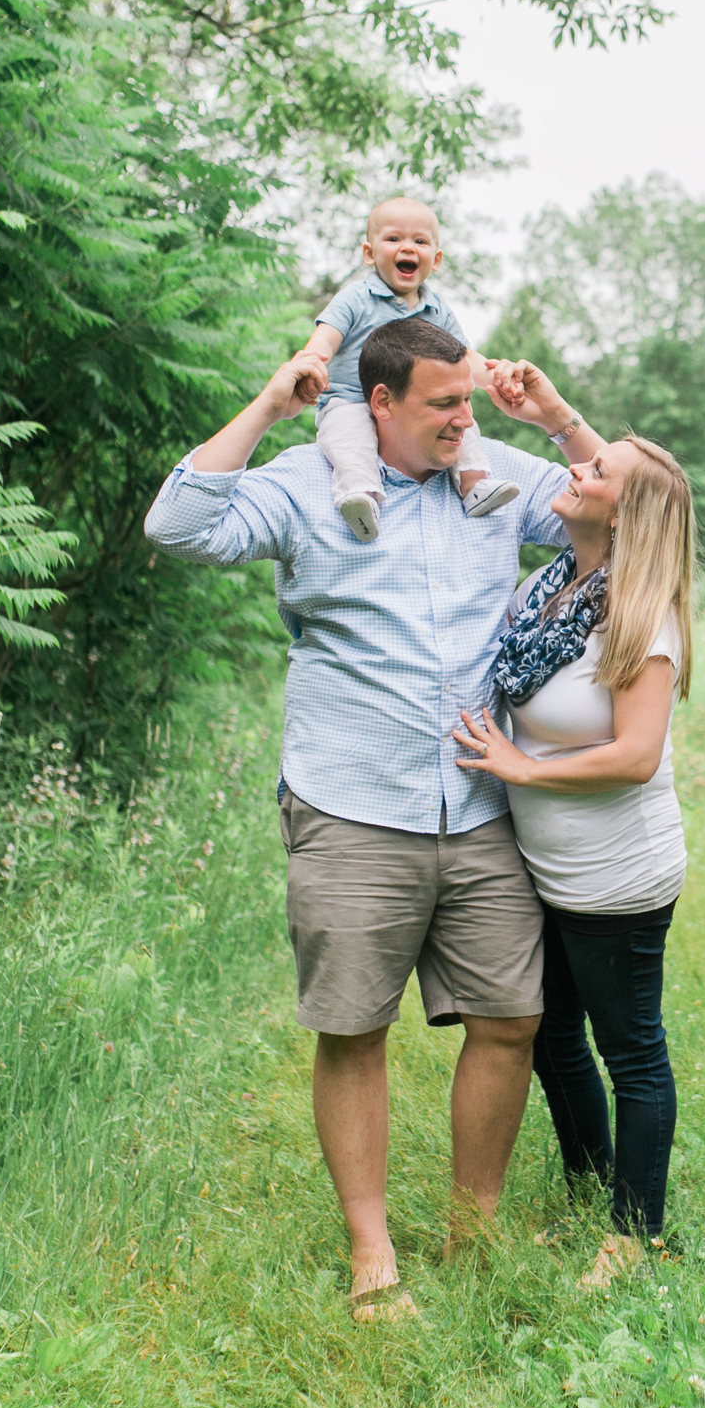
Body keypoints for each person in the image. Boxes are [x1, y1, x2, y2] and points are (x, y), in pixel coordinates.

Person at [144, 316, 606, 1319]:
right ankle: (372, 1254)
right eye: (443, 403)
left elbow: (631, 495)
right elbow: (176, 523)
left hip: (481, 804)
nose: (462, 419)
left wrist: (556, 415)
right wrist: (272, 401)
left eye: (468, 400)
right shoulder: (309, 484)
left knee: (510, 1018)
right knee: (353, 1026)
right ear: (379, 403)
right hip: (350, 800)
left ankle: (471, 1229)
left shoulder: (491, 480)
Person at [449, 436, 696, 1288]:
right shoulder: (554, 584)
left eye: (595, 473)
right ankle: (591, 1186)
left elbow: (635, 752)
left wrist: (523, 767)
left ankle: (633, 1236)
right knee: (551, 1034)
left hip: (617, 876)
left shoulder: (641, 616)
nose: (575, 472)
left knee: (630, 1049)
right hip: (545, 867)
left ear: (622, 513)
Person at [299, 197, 520, 538]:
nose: (408, 247)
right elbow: (326, 337)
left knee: (464, 422)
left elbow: (465, 358)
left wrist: (498, 376)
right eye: (394, 239)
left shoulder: (436, 309)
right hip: (351, 399)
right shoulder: (356, 298)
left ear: (437, 258)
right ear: (369, 253)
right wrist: (312, 361)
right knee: (350, 441)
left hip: (413, 412)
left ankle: (475, 485)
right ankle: (361, 498)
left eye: (420, 241)